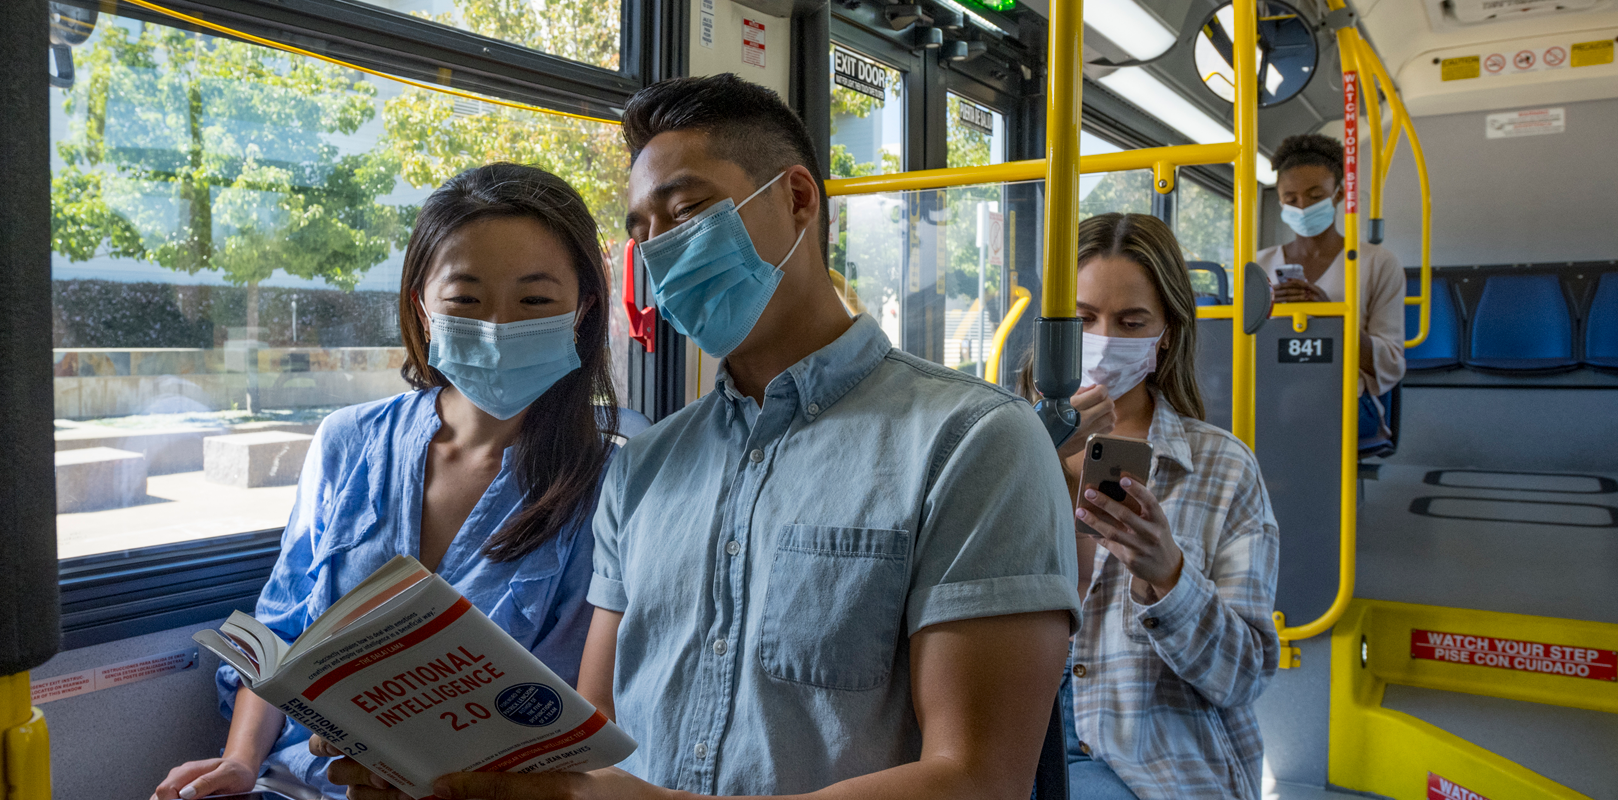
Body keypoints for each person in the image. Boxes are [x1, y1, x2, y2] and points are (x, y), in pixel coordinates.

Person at [321, 73, 1082, 800]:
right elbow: (591, 743)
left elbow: (978, 781)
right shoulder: (645, 467)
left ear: (796, 198)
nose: (663, 254)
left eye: (685, 215)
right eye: (642, 233)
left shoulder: (972, 444)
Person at [152, 163, 620, 800]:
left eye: (534, 301)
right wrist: (238, 764)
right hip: (302, 781)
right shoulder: (348, 441)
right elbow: (284, 635)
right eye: (466, 300)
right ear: (422, 308)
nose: (498, 326)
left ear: (583, 308)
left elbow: (590, 717)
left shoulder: (617, 478)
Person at [1022, 214, 1280, 799]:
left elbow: (1243, 677)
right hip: (1010, 735)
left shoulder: (1223, 469)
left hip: (1147, 761)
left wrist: (1169, 575)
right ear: (1054, 328)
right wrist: (1032, 456)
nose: (1105, 340)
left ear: (1165, 332)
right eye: (1083, 320)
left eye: (1131, 321)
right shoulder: (1002, 443)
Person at [1255, 132, 1406, 444]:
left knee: (1292, 419)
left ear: (1338, 194)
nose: (1302, 207)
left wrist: (1330, 319)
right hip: (1272, 393)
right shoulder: (1259, 264)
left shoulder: (1377, 263)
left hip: (1345, 398)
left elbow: (1391, 361)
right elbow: (1243, 348)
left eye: (1315, 196)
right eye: (1290, 198)